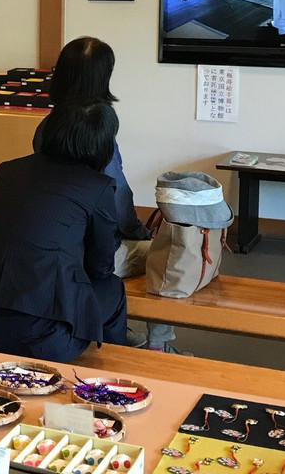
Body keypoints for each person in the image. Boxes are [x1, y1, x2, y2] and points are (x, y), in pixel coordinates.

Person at [32, 37, 186, 354]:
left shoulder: (45, 128)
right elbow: (117, 203)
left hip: (44, 252)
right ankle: (158, 343)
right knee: (168, 255)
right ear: (103, 77)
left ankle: (115, 324)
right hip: (85, 256)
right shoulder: (99, 130)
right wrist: (142, 233)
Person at [0, 100, 127, 363]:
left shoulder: (9, 170)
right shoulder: (97, 187)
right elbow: (101, 267)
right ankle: (117, 370)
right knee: (112, 288)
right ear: (103, 144)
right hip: (44, 340)